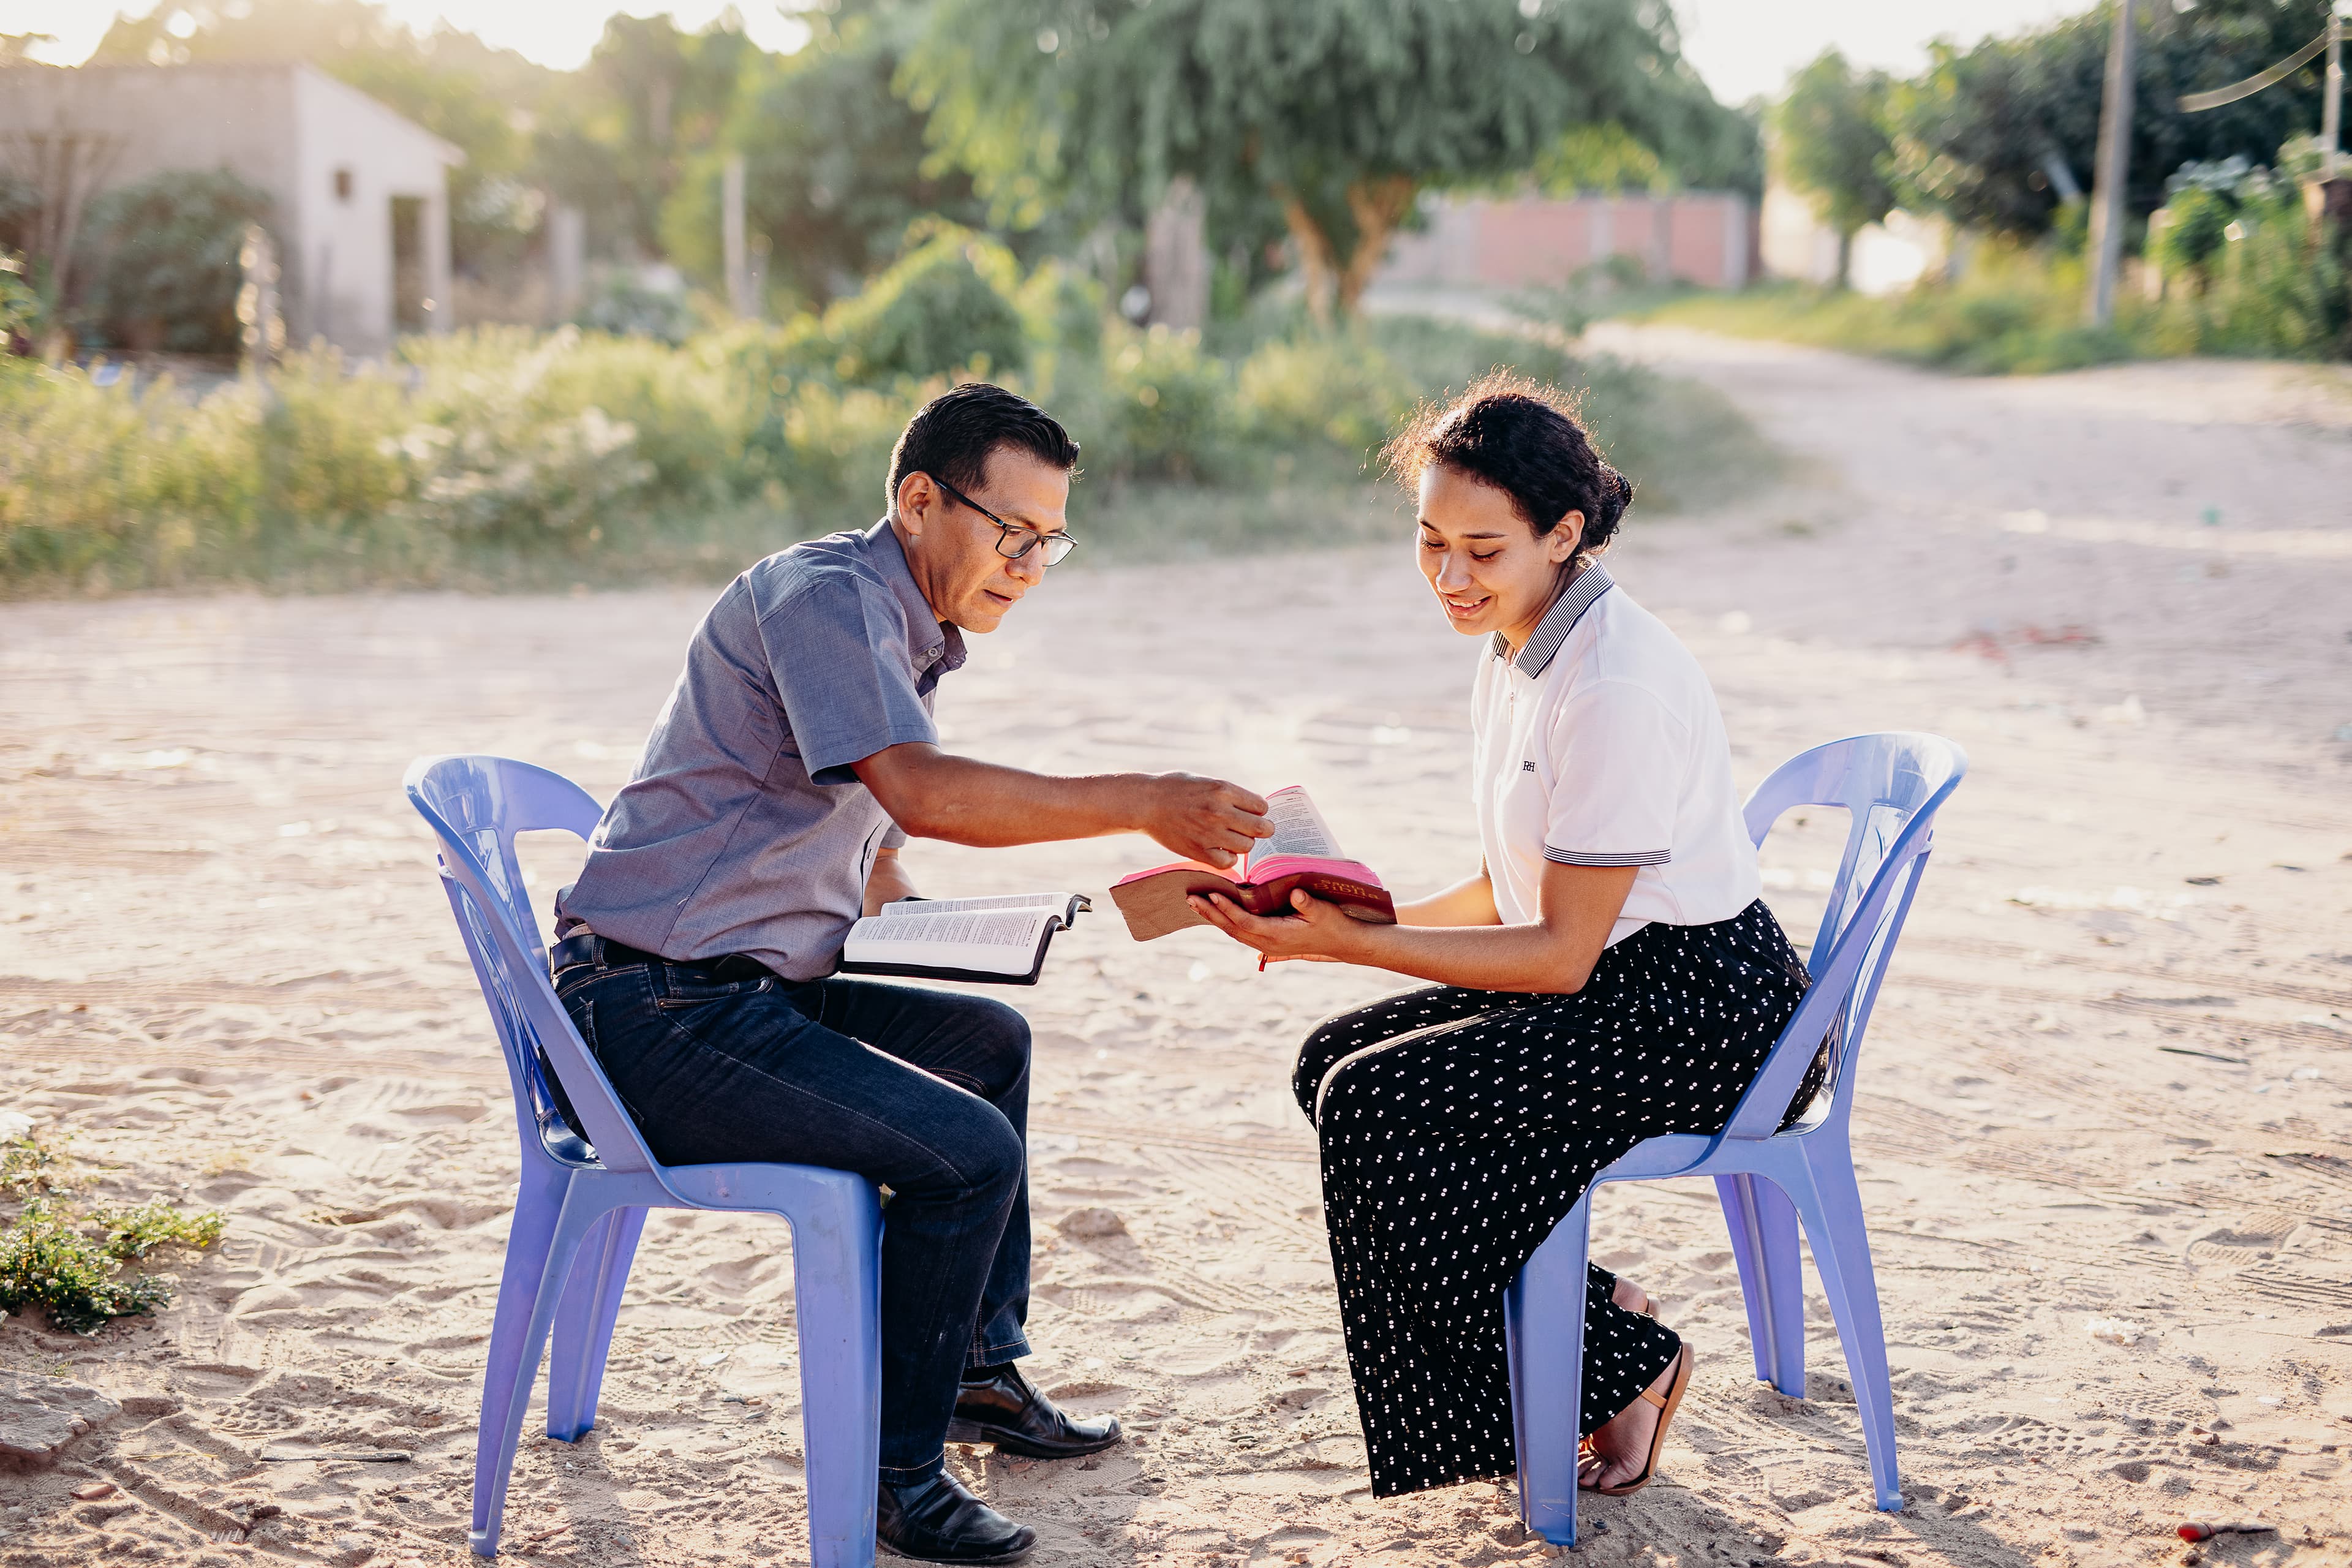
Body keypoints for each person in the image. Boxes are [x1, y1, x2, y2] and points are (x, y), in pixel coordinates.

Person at [548, 382, 1273, 1564]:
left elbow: (869, 823)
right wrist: (1144, 801)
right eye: (1011, 532)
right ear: (920, 499)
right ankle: (895, 1478)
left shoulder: (905, 619)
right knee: (967, 1157)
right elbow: (921, 791)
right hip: (652, 1006)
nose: (1030, 565)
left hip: (739, 981)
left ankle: (983, 1375)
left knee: (990, 1042)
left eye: (1051, 542)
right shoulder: (830, 596)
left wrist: (910, 920)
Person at [1186, 373, 1826, 1502]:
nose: (1449, 577)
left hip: (1704, 1013)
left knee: (1384, 1106)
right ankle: (1595, 1316)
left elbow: (1557, 954)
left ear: (1562, 535)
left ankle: (1622, 1368)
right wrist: (1347, 915)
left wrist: (1352, 947)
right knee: (1329, 1065)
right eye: (1430, 542)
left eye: (1482, 551)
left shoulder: (1612, 682)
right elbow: (1506, 883)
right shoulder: (1522, 644)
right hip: (1619, 973)